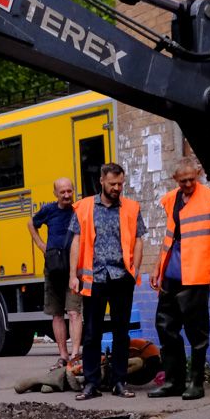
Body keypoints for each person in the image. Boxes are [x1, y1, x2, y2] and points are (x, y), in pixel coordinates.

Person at [148, 158, 210, 401]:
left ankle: (196, 383)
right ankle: (173, 381)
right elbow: (170, 236)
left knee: (196, 332)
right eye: (183, 181)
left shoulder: (209, 197)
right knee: (165, 328)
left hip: (196, 274)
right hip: (171, 275)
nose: (189, 184)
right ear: (175, 180)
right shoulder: (172, 199)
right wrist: (156, 267)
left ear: (199, 174)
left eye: (192, 179)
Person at [67, 163, 145, 400]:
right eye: (112, 184)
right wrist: (73, 274)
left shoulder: (131, 208)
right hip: (95, 278)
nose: (117, 188)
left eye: (120, 184)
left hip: (122, 277)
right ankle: (91, 383)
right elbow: (76, 241)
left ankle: (119, 381)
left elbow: (139, 240)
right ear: (102, 180)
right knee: (92, 333)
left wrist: (136, 270)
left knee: (122, 332)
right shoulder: (85, 207)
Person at [29, 177, 83, 369]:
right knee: (57, 314)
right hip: (53, 269)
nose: (67, 195)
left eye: (70, 191)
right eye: (63, 192)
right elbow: (31, 224)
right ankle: (63, 355)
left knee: (75, 312)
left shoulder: (79, 210)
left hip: (74, 269)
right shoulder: (49, 210)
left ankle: (75, 354)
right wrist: (42, 245)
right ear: (55, 194)